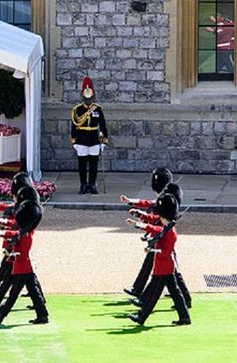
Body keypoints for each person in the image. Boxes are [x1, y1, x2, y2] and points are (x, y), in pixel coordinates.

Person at [126, 194, 191, 326]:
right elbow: (154, 228)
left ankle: (141, 317)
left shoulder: (171, 232)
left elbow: (165, 252)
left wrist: (151, 250)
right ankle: (184, 317)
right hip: (164, 267)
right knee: (175, 293)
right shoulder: (166, 228)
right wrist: (137, 224)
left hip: (164, 267)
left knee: (153, 295)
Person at [0, 200, 49, 324]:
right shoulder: (24, 232)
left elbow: (21, 255)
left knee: (13, 294)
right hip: (26, 268)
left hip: (22, 268)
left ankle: (1, 314)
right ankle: (42, 315)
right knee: (34, 292)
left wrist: (10, 255)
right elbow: (11, 233)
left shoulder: (26, 235)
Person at [120, 167, 173, 298]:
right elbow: (148, 203)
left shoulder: (166, 200)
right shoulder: (162, 198)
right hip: (158, 235)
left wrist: (140, 218)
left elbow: (153, 213)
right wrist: (130, 201)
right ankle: (139, 290)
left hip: (162, 236)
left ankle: (140, 292)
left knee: (164, 268)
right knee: (164, 268)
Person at [70, 76, 109, 194]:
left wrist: (104, 138)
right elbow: (74, 125)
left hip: (94, 139)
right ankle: (83, 184)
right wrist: (74, 139)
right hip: (81, 139)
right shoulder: (77, 110)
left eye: (90, 98)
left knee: (93, 165)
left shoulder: (97, 109)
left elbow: (102, 124)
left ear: (93, 97)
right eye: (86, 98)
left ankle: (92, 184)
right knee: (82, 165)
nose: (88, 100)